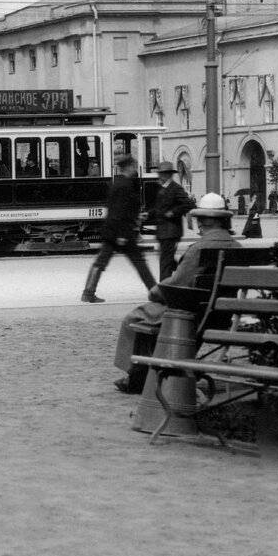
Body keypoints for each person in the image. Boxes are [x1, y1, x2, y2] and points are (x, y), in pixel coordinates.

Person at [112, 193, 241, 393]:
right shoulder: (237, 247)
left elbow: (177, 285)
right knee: (147, 317)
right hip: (219, 316)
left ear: (202, 222)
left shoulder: (199, 249)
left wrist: (155, 291)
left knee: (135, 318)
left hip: (190, 314)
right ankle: (145, 373)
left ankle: (136, 377)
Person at [80, 155, 157, 303]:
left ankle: (88, 292)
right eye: (134, 165)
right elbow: (120, 211)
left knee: (101, 262)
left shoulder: (118, 182)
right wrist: (122, 234)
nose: (135, 168)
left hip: (113, 231)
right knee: (139, 262)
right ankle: (155, 292)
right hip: (122, 232)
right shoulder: (125, 185)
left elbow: (117, 210)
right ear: (128, 167)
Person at [148, 160, 195, 281]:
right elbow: (158, 208)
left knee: (165, 261)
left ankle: (164, 287)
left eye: (163, 173)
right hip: (163, 231)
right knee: (166, 260)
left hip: (171, 231)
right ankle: (186, 272)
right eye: (160, 173)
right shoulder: (161, 188)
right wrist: (147, 214)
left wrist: (173, 212)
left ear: (169, 174)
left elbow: (188, 204)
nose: (160, 176)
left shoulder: (175, 188)